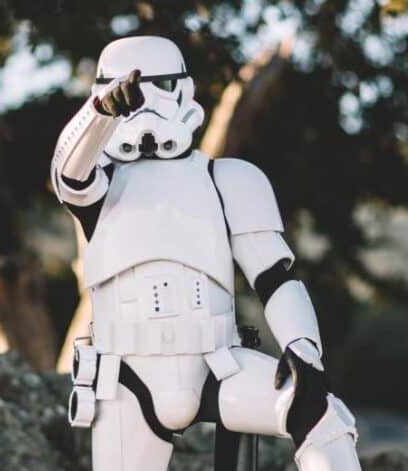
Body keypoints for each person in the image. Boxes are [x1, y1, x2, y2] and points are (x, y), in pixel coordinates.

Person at [55, 36, 360, 471]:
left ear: (183, 89)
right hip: (127, 378)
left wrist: (303, 348)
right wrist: (99, 114)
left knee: (323, 418)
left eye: (154, 86)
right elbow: (69, 172)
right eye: (126, 90)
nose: (142, 104)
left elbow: (275, 276)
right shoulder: (99, 186)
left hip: (218, 365)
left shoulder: (229, 179)